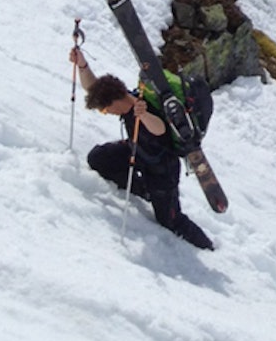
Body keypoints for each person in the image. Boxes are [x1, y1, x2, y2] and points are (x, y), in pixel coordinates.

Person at [70, 47, 213, 251]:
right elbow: (93, 87)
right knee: (98, 158)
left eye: (105, 109)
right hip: (136, 151)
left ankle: (208, 248)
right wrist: (82, 65)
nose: (106, 113)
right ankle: (145, 190)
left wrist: (143, 115)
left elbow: (159, 129)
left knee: (170, 220)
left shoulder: (142, 109)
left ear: (114, 102)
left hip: (162, 168)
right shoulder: (127, 99)